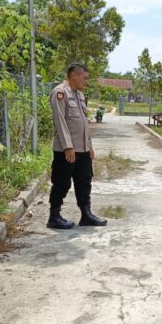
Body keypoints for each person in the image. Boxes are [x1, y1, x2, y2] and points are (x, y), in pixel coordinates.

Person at [46, 62, 107, 229]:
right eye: (85, 78)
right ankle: (54, 216)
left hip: (83, 149)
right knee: (62, 182)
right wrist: (68, 146)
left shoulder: (79, 95)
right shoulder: (60, 93)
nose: (86, 82)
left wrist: (89, 146)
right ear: (74, 75)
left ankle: (86, 214)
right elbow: (60, 122)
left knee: (84, 181)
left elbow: (84, 123)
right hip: (67, 150)